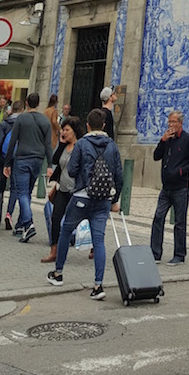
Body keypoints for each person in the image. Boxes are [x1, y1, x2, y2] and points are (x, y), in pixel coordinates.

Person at [47, 107, 123, 300]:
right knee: (98, 241)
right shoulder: (112, 146)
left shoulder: (82, 144)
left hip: (82, 196)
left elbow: (72, 171)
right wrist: (114, 200)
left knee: (65, 231)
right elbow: (119, 176)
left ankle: (58, 273)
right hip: (103, 200)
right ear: (104, 125)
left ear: (88, 125)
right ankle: (98, 285)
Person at [151, 110, 189, 263]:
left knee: (180, 222)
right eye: (169, 122)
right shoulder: (167, 139)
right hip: (166, 188)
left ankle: (179, 254)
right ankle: (155, 253)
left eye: (173, 122)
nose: (171, 125)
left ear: (180, 123)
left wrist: (181, 171)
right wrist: (162, 140)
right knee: (158, 218)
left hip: (180, 188)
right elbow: (156, 156)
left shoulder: (187, 140)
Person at [3, 92, 53, 242]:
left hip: (22, 159)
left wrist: (7, 162)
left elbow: (13, 141)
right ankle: (20, 225)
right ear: (38, 104)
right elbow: (48, 145)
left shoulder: (21, 119)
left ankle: (29, 223)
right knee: (28, 192)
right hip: (38, 160)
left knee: (22, 193)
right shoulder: (45, 121)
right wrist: (50, 165)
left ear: (26, 103)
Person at [41, 116, 82, 264]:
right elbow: (54, 160)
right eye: (62, 129)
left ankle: (93, 246)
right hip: (62, 189)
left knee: (81, 220)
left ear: (74, 131)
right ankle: (54, 250)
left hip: (76, 191)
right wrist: (60, 144)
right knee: (56, 218)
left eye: (66, 130)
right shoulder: (64, 146)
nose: (63, 132)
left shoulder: (81, 146)